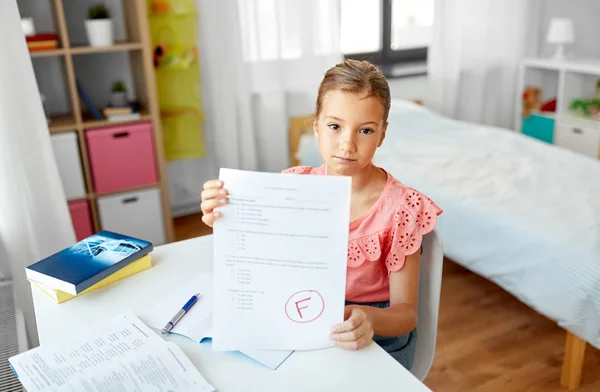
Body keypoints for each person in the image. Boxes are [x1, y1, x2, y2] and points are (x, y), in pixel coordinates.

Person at [200, 59, 442, 369]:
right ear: (316, 127)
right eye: (334, 126)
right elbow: (260, 260)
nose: (348, 143)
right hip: (300, 319)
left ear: (382, 134)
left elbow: (406, 314)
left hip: (375, 335)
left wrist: (368, 317)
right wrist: (223, 219)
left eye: (365, 130)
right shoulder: (291, 186)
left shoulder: (402, 209)